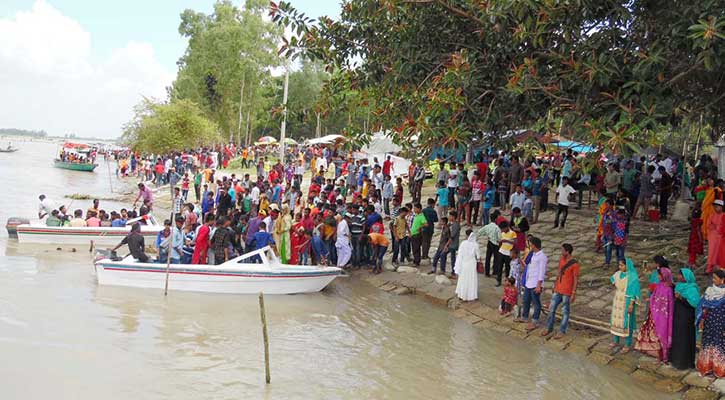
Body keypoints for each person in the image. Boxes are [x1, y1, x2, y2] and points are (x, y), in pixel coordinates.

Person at [541, 243, 580, 339]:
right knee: (551, 309)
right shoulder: (561, 260)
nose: (561, 252)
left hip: (567, 291)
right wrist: (554, 285)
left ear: (567, 252)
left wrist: (573, 292)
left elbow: (575, 279)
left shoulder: (575, 264)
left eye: (563, 250)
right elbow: (559, 273)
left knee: (565, 312)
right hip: (558, 289)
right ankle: (549, 327)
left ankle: (562, 330)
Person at [696, 269, 725, 377]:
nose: (713, 280)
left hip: (720, 324)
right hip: (709, 322)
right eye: (713, 278)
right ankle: (706, 367)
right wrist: (702, 319)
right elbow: (703, 306)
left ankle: (719, 369)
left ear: (722, 280)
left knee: (719, 345)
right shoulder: (709, 291)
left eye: (715, 278)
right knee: (707, 343)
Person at [670, 268, 700, 370]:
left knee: (685, 339)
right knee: (677, 337)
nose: (679, 277)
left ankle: (685, 363)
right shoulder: (678, 286)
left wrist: (681, 298)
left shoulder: (692, 289)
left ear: (686, 277)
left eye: (681, 276)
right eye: (679, 275)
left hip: (687, 318)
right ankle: (676, 360)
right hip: (678, 316)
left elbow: (694, 304)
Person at [610, 258, 641, 352]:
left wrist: (631, 304)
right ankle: (616, 340)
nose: (620, 267)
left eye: (622, 265)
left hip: (627, 300)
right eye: (619, 265)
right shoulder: (618, 274)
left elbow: (634, 291)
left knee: (627, 322)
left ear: (627, 266)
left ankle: (627, 344)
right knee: (616, 320)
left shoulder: (633, 277)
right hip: (617, 300)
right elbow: (612, 280)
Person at [517, 236, 547, 329]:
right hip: (529, 281)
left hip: (535, 283)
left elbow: (542, 272)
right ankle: (525, 317)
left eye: (530, 244)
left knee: (536, 303)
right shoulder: (532, 254)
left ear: (534, 245)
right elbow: (527, 266)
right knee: (526, 300)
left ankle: (535, 321)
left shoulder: (542, 257)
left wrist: (539, 285)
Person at [454, 230, 480, 301]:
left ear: (467, 236)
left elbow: (459, 255)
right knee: (471, 279)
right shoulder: (476, 245)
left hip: (464, 263)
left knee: (463, 278)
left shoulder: (463, 243)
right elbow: (478, 257)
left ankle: (462, 294)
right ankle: (471, 295)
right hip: (472, 264)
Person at [494, 221, 516, 286]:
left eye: (503, 229)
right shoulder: (502, 233)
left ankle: (508, 281)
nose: (502, 230)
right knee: (499, 267)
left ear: (506, 227)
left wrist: (507, 241)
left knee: (507, 268)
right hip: (501, 251)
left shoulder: (512, 233)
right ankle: (498, 280)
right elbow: (501, 241)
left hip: (508, 253)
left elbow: (515, 242)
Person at [706, 199, 724, 274]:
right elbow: (708, 225)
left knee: (720, 253)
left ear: (722, 207)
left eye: (718, 207)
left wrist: (717, 228)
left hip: (721, 237)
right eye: (715, 207)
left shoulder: (723, 215)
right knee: (711, 253)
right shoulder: (712, 215)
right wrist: (715, 227)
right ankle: (709, 268)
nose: (716, 208)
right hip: (712, 237)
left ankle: (719, 268)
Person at [409, 203, 427, 267]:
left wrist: (420, 227)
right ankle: (415, 260)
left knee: (416, 248)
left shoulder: (422, 216)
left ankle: (417, 262)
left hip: (417, 234)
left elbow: (426, 224)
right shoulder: (416, 215)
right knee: (414, 248)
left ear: (419, 209)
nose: (414, 209)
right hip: (413, 234)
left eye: (415, 208)